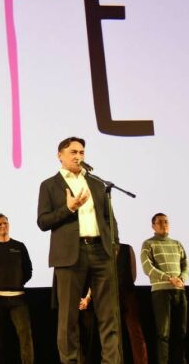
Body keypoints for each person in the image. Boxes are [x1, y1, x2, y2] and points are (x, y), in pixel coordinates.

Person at [36, 136, 121, 364]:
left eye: (81, 152)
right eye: (73, 152)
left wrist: (114, 244)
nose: (78, 156)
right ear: (60, 156)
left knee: (109, 316)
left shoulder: (96, 183)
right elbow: (43, 221)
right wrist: (68, 209)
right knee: (68, 318)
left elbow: (109, 218)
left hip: (101, 251)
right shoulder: (49, 185)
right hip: (69, 255)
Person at [0, 214, 34, 364]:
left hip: (18, 299)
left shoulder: (20, 246)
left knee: (25, 337)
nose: (3, 226)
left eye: (5, 223)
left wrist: (16, 283)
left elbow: (28, 270)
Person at [81, 243, 149, 364]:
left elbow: (133, 275)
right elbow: (94, 277)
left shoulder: (127, 249)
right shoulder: (99, 251)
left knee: (135, 332)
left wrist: (123, 287)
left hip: (127, 294)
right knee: (110, 333)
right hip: (107, 296)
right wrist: (87, 297)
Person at [140, 213, 189, 364]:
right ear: (153, 226)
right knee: (163, 333)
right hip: (161, 292)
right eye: (160, 222)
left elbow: (186, 265)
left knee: (181, 333)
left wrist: (182, 278)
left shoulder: (177, 244)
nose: (164, 224)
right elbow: (148, 268)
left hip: (179, 291)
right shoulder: (148, 244)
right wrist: (169, 278)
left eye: (166, 221)